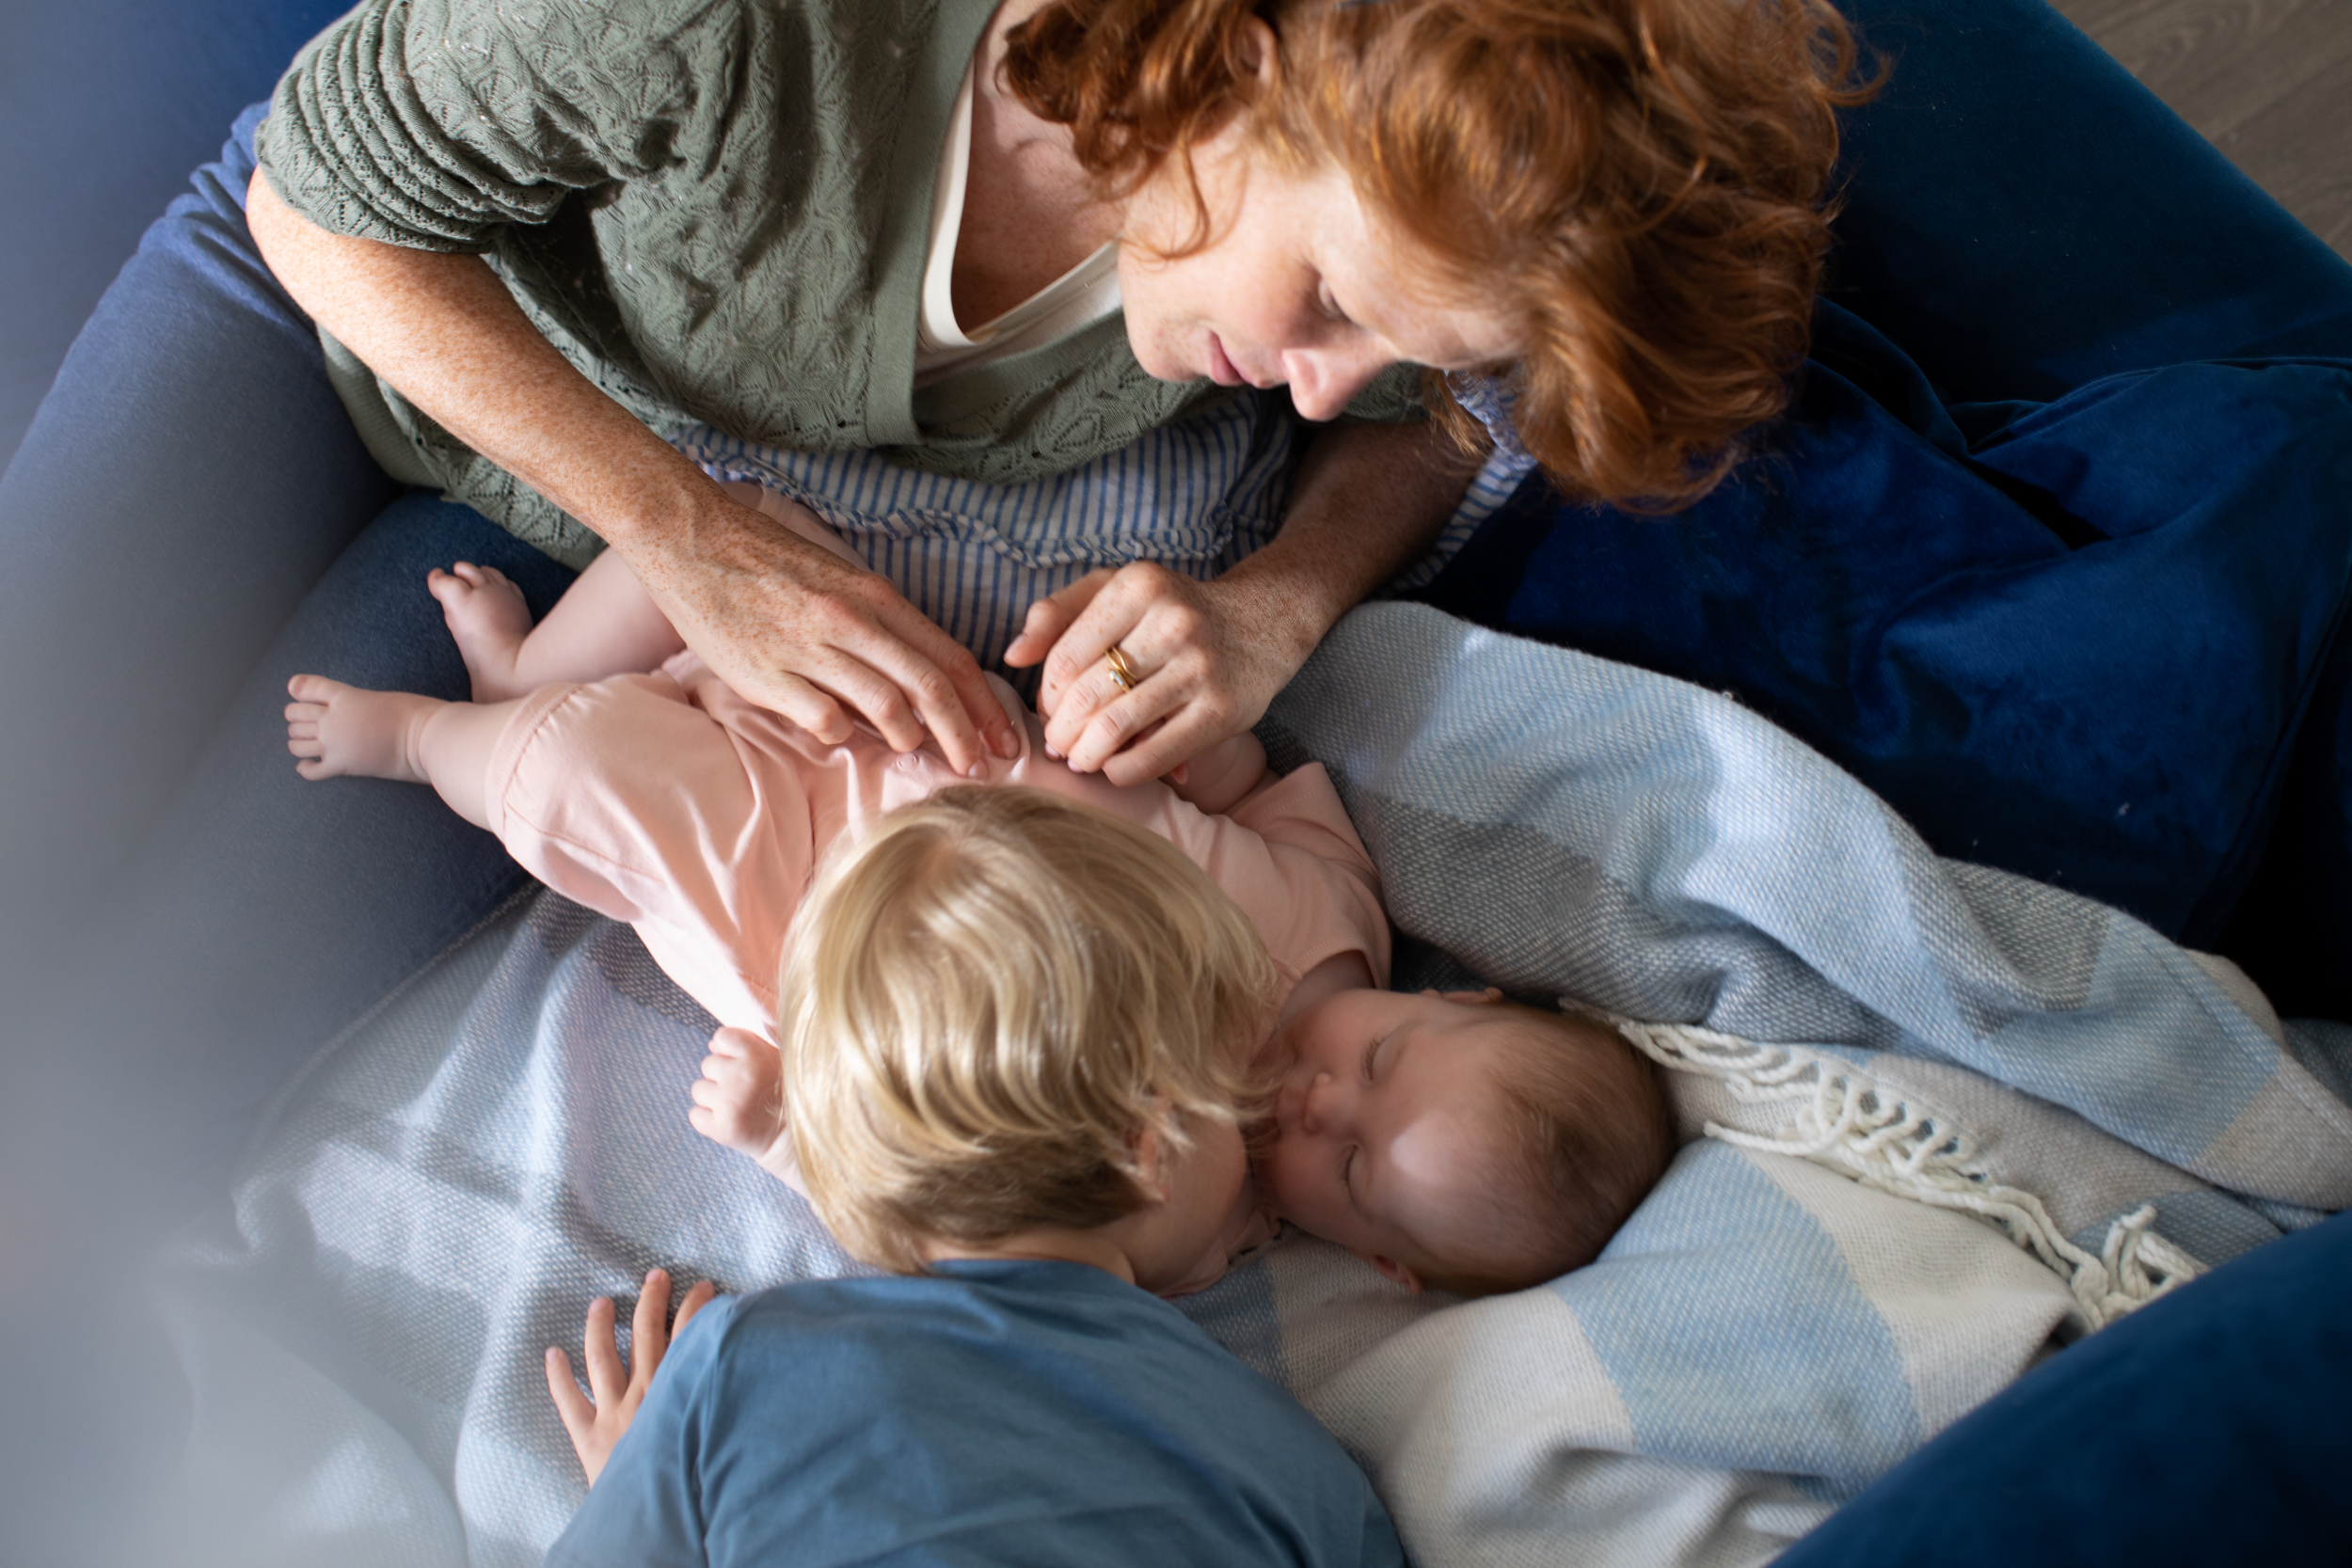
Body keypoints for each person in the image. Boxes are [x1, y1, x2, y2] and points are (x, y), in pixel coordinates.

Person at [286, 546, 1676, 1294]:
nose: (1314, 1101)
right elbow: (1233, 766)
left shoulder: (1192, 1218)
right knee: (711, 548)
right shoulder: (1339, 908)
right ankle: (530, 658)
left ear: (1377, 1258)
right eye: (1379, 1067)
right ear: (1453, 997)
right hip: (896, 733)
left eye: (1356, 1168)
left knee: (572, 773)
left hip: (812, 923)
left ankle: (432, 738)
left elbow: (948, 1233)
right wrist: (1154, 724)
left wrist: (789, 1138)